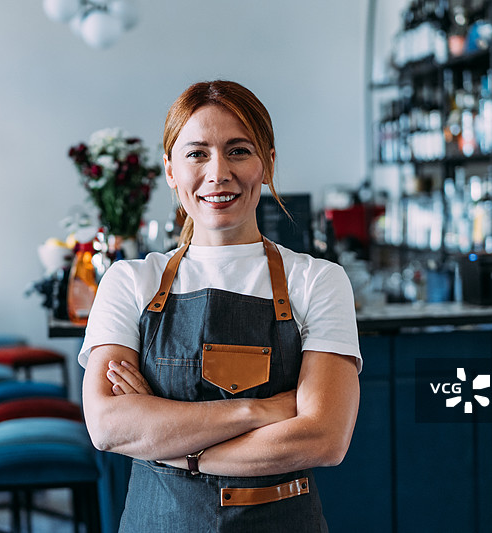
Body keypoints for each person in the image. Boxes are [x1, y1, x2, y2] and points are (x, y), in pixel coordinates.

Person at [79, 80, 361, 532]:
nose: (218, 173)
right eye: (196, 153)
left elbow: (324, 437)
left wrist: (174, 446)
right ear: (170, 169)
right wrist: (262, 410)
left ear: (267, 164)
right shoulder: (130, 281)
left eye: (239, 150)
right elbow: (108, 425)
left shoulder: (318, 280)